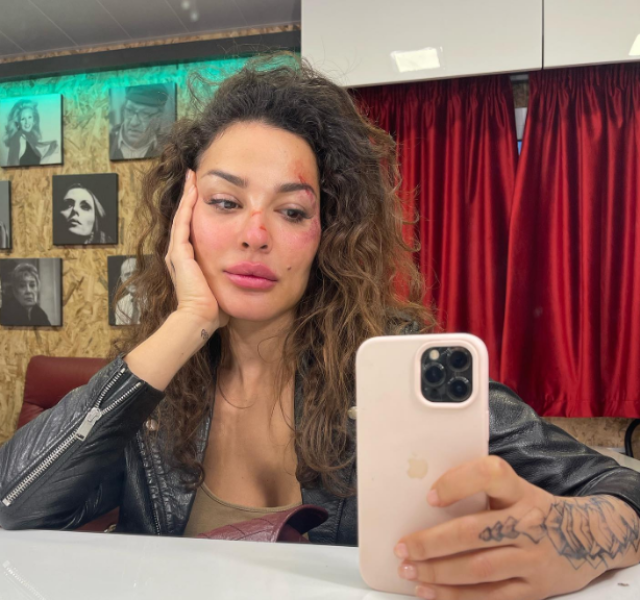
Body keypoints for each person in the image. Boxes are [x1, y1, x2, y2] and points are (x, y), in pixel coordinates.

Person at [1, 58, 639, 600]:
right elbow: (13, 506)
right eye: (225, 202)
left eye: (291, 210)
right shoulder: (153, 387)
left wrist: (574, 540)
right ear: (182, 220)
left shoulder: (393, 368)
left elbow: (623, 488)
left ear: (325, 236)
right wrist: (186, 323)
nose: (256, 233)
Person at [109, 84, 170, 160]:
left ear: (158, 119)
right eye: (130, 111)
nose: (134, 123)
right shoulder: (104, 142)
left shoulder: (169, 146)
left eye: (145, 114)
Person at [2, 99, 58, 167]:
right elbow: (15, 167)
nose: (27, 122)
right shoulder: (19, 139)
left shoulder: (25, 137)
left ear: (34, 120)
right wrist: (50, 152)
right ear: (18, 123)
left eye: (29, 117)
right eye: (23, 119)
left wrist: (50, 146)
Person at [0, 262, 51, 326]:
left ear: (37, 288)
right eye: (22, 286)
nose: (28, 291)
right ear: (14, 290)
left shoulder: (41, 315)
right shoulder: (4, 315)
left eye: (32, 285)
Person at [114, 257, 140, 325]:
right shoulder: (120, 304)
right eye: (127, 275)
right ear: (122, 280)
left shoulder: (155, 301)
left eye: (135, 273)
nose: (132, 279)